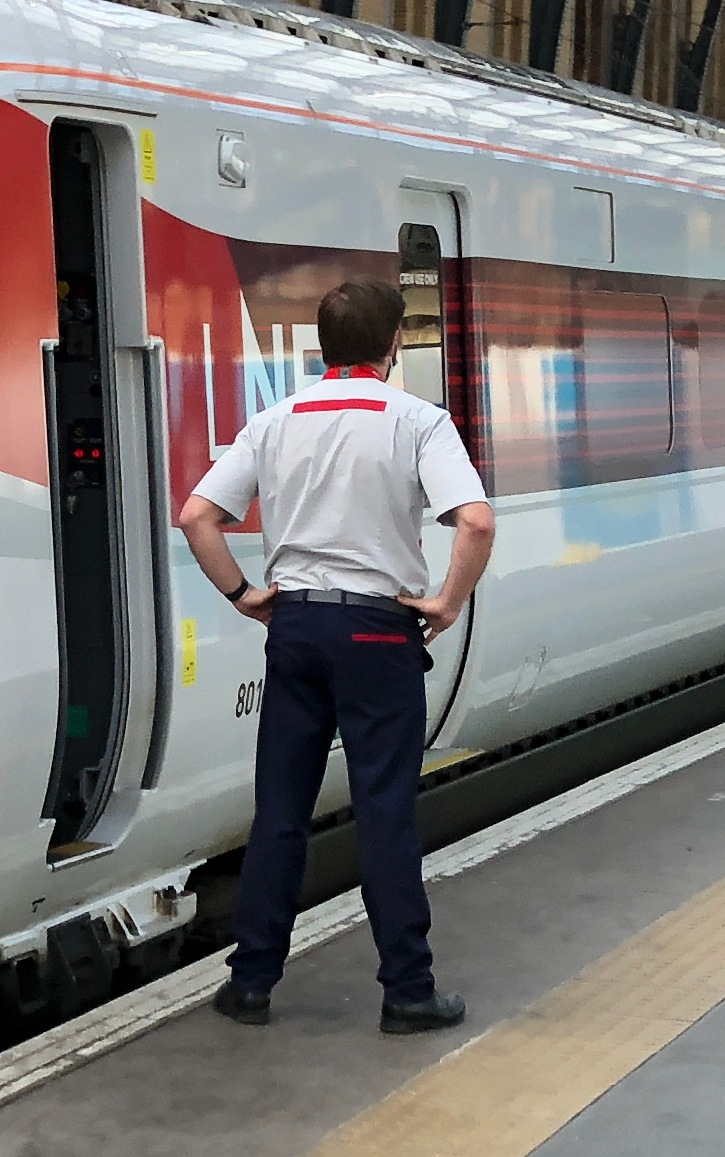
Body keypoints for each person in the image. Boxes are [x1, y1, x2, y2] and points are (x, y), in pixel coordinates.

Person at [179, 280, 496, 1034]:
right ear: (392, 347)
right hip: (378, 635)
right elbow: (475, 523)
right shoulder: (417, 420)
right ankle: (406, 991)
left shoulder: (275, 420)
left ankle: (250, 982)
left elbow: (197, 515)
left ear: (322, 347)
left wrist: (241, 595)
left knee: (281, 810)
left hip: (294, 628)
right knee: (384, 811)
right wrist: (447, 602)